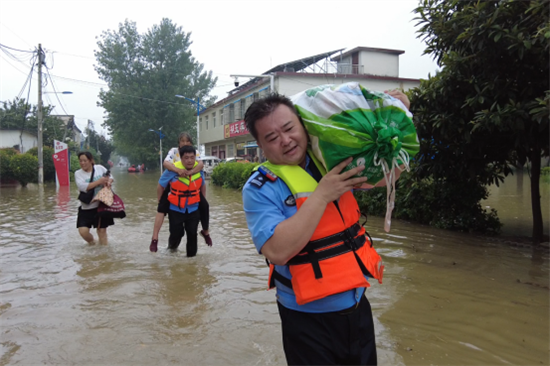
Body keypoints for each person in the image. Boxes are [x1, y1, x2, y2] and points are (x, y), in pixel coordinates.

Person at [242, 93, 399, 366]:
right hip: (306, 321)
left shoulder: (332, 158)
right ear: (260, 145)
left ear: (303, 125)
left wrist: (394, 116)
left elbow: (390, 175)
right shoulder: (259, 188)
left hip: (358, 307)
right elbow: (277, 251)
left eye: (289, 129)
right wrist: (322, 195)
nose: (286, 140)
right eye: (272, 137)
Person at [149, 132, 212, 252]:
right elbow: (165, 165)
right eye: (182, 141)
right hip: (174, 192)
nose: (185, 143)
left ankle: (205, 233)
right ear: (179, 144)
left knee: (203, 209)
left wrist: (192, 172)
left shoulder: (196, 158)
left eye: (187, 141)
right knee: (162, 210)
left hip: (192, 202)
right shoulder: (173, 153)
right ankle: (155, 238)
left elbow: (201, 170)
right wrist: (177, 170)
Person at [158, 145, 204, 255]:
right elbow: (160, 185)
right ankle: (171, 251)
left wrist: (203, 201)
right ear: (181, 158)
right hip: (175, 209)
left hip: (193, 209)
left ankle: (191, 263)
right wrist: (160, 202)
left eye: (192, 157)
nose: (189, 160)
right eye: (186, 158)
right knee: (176, 234)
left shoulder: (199, 170)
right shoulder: (172, 171)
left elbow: (203, 185)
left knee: (192, 234)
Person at [75, 151, 114, 245]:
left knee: (102, 231)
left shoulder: (99, 168)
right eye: (80, 161)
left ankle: (104, 254)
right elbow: (82, 187)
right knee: (83, 232)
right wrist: (99, 182)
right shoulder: (78, 173)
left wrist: (109, 182)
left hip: (101, 206)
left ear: (91, 160)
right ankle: (93, 243)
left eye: (85, 160)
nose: (82, 163)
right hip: (86, 207)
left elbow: (110, 176)